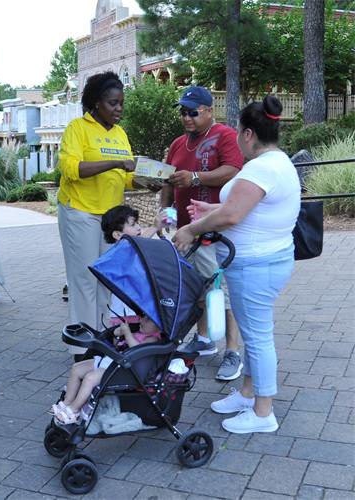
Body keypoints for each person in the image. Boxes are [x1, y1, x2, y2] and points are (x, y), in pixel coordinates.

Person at [174, 96, 300, 434]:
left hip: (256, 264)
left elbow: (232, 214)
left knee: (258, 338)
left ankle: (263, 413)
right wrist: (207, 212)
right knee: (252, 333)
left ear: (247, 134)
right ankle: (248, 393)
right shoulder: (280, 162)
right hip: (267, 259)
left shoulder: (260, 167)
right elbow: (245, 211)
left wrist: (190, 228)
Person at [160, 85, 244, 381]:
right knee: (197, 288)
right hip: (187, 230)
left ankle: (232, 352)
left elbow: (233, 169)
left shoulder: (224, 135)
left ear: (209, 111)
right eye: (183, 112)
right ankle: (205, 339)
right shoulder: (177, 144)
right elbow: (168, 183)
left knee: (222, 291)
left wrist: (196, 177)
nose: (186, 117)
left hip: (217, 227)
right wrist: (167, 214)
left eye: (193, 112)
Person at [57, 72, 136, 359]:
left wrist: (147, 180)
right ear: (96, 103)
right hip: (80, 212)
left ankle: (102, 338)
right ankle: (81, 345)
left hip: (110, 218)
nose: (119, 109)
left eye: (121, 104)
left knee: (106, 280)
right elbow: (72, 169)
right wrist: (116, 161)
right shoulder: (78, 129)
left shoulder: (120, 134)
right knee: (84, 279)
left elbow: (127, 179)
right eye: (113, 103)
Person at [53, 315, 162, 424]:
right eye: (142, 316)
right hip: (109, 361)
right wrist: (118, 334)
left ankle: (74, 409)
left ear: (158, 326)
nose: (141, 320)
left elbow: (138, 351)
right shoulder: (138, 332)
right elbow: (117, 345)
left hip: (121, 370)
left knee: (90, 379)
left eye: (148, 319)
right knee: (76, 368)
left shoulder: (152, 339)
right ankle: (67, 401)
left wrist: (128, 334)